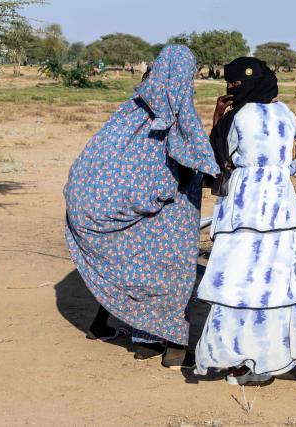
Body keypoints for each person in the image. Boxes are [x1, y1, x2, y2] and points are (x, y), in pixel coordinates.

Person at [194, 57, 296, 389]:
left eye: (234, 85)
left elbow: (217, 161)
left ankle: (243, 362)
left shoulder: (236, 117)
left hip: (244, 209)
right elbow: (291, 160)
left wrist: (218, 117)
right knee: (288, 282)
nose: (234, 89)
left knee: (240, 283)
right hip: (280, 207)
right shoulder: (287, 114)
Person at [64, 45, 220, 367]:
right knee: (174, 275)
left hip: (140, 211)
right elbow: (191, 165)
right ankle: (176, 348)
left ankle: (146, 342)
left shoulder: (132, 109)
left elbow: (100, 155)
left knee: (145, 271)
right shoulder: (178, 115)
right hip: (170, 211)